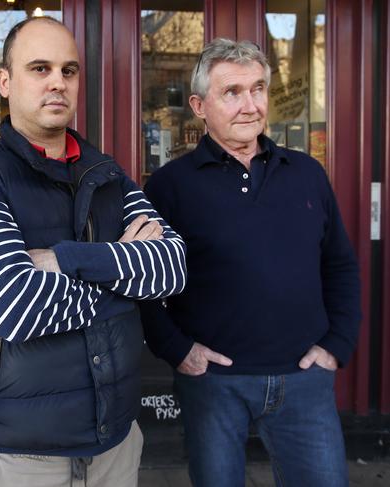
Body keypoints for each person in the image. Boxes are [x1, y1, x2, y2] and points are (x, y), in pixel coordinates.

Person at [0, 17, 187, 487]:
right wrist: (124, 275)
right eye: (40, 68)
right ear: (5, 82)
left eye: (68, 70)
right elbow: (15, 308)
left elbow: (172, 268)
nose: (58, 82)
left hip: (114, 443)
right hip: (20, 455)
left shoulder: (107, 174)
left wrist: (66, 259)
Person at [140, 38, 361, 487]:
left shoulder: (307, 174)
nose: (250, 105)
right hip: (214, 386)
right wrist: (179, 351)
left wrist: (336, 345)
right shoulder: (169, 186)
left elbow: (339, 265)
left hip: (305, 382)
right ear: (199, 106)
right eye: (232, 92)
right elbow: (144, 287)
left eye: (258, 88)